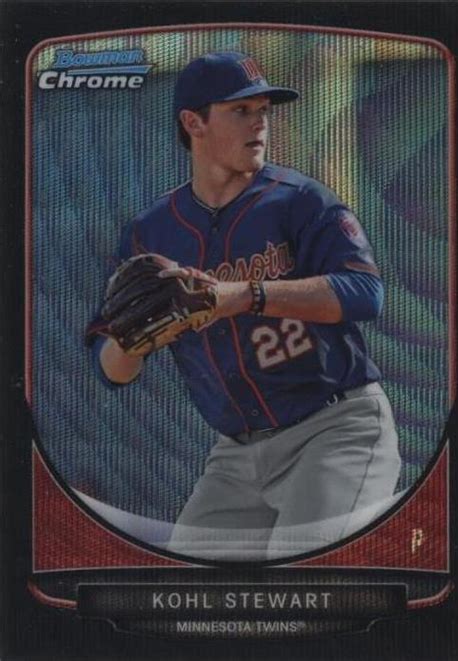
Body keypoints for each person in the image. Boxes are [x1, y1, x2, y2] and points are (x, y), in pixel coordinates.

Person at [88, 51, 401, 560]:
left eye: (263, 111)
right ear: (194, 123)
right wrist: (135, 341)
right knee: (190, 588)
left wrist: (247, 295)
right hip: (236, 454)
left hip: (334, 430)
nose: (259, 123)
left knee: (307, 577)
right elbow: (110, 370)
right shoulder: (151, 233)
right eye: (240, 110)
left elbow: (366, 293)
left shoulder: (300, 200)